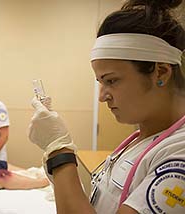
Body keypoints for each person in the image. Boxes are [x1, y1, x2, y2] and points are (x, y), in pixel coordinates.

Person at [29, 0, 185, 213]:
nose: (102, 97)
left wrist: (59, 151)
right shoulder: (140, 141)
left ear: (161, 72)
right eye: (100, 83)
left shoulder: (179, 153)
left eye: (111, 81)